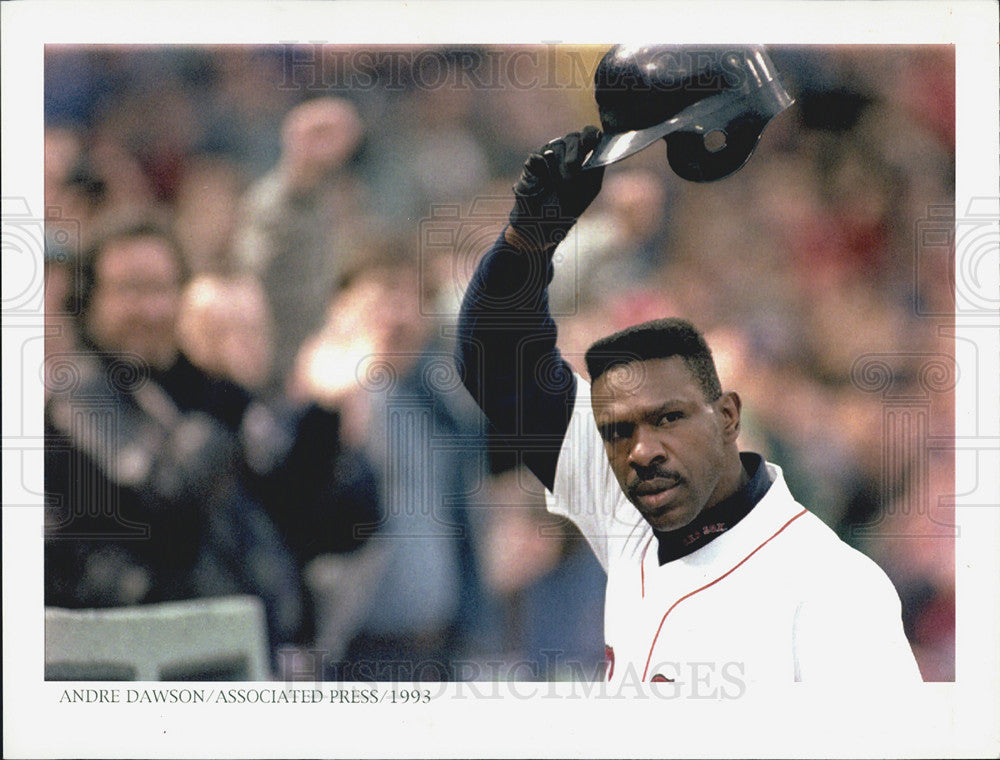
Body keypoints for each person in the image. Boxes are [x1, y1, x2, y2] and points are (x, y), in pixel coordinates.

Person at [455, 127, 922, 685]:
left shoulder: (833, 586)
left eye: (669, 417)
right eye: (617, 430)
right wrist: (531, 238)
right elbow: (495, 357)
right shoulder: (626, 505)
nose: (643, 449)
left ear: (727, 417)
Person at [44, 218, 379, 660]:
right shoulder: (83, 392)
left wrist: (323, 417)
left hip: (242, 654)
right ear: (88, 302)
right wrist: (218, 393)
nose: (153, 310)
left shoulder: (182, 394)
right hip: (154, 668)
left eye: (164, 290)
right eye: (131, 290)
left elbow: (319, 522)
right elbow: (165, 496)